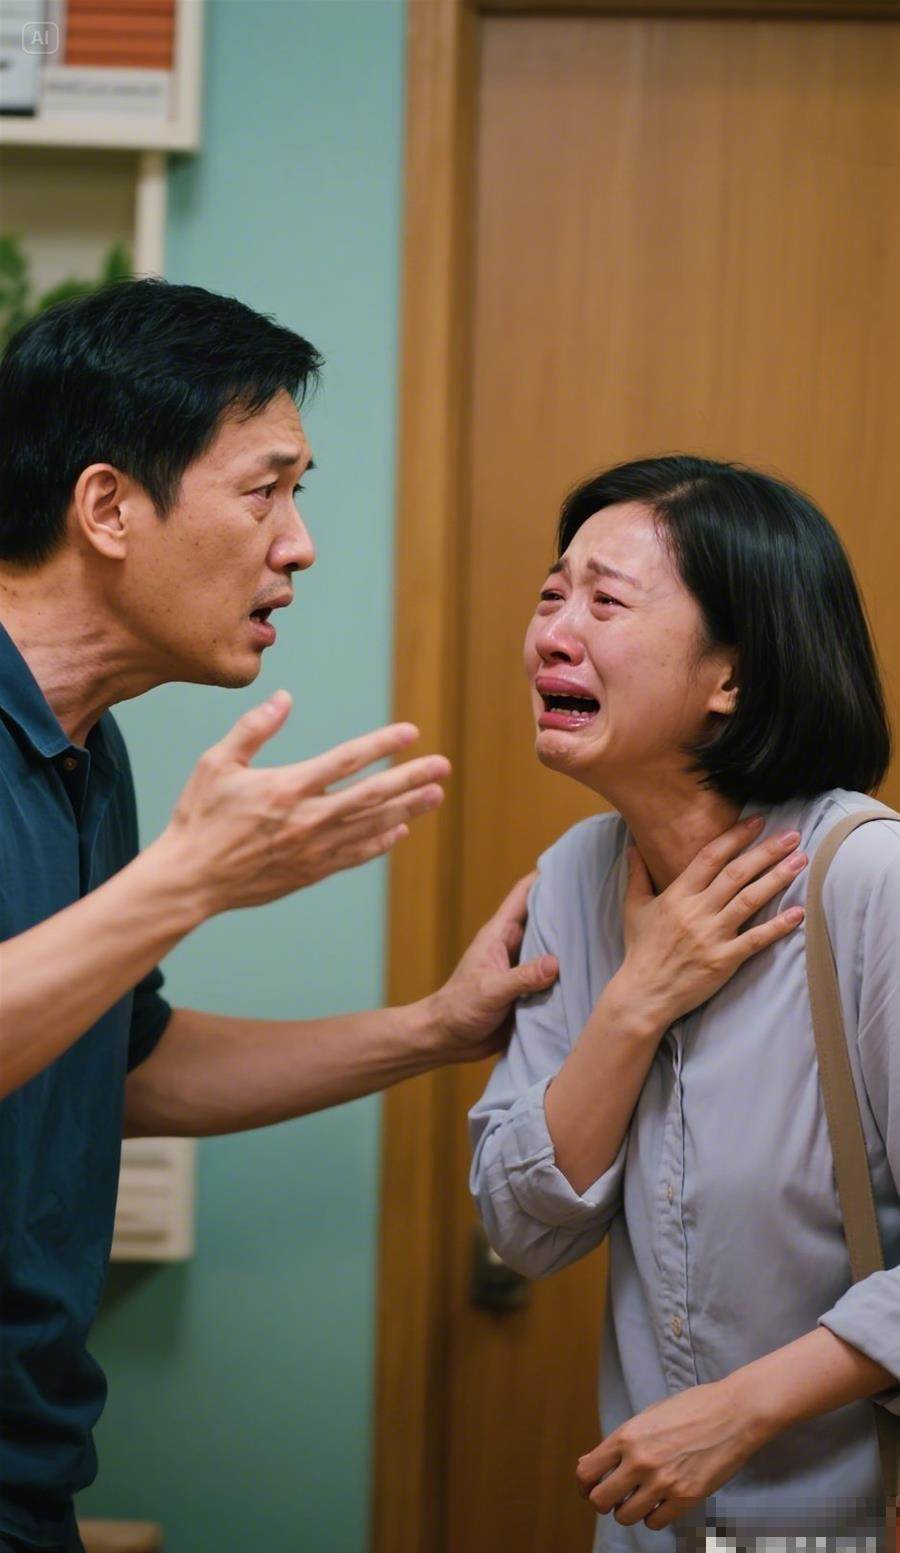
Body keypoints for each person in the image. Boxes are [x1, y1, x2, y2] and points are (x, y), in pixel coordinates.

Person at [0, 278, 559, 1553]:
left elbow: (122, 1062)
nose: (298, 544)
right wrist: (189, 879)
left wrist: (435, 1028)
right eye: (266, 491)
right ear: (107, 507)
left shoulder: (88, 750)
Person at [469, 455, 899, 1550]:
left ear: (733, 677)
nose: (553, 633)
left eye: (605, 601)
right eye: (551, 593)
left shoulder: (868, 882)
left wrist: (739, 1409)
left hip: (847, 1516)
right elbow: (522, 1230)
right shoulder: (573, 876)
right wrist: (635, 1001)